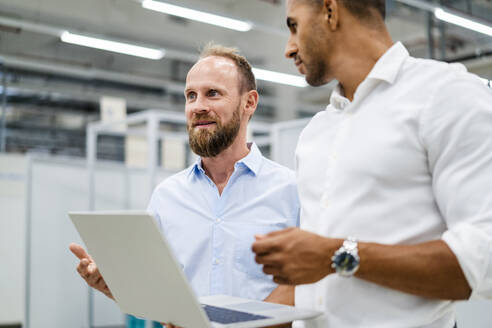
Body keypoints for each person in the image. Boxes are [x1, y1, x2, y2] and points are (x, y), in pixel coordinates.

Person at [252, 0, 492, 327]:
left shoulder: (445, 96)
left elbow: (482, 260)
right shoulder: (317, 133)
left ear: (330, 11)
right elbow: (314, 280)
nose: (288, 48)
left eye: (294, 26)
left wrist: (334, 255)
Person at [70, 44, 299, 324]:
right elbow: (158, 294)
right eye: (191, 96)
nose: (198, 106)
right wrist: (115, 287)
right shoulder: (167, 196)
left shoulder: (291, 190)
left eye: (212, 93)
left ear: (249, 103)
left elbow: (306, 284)